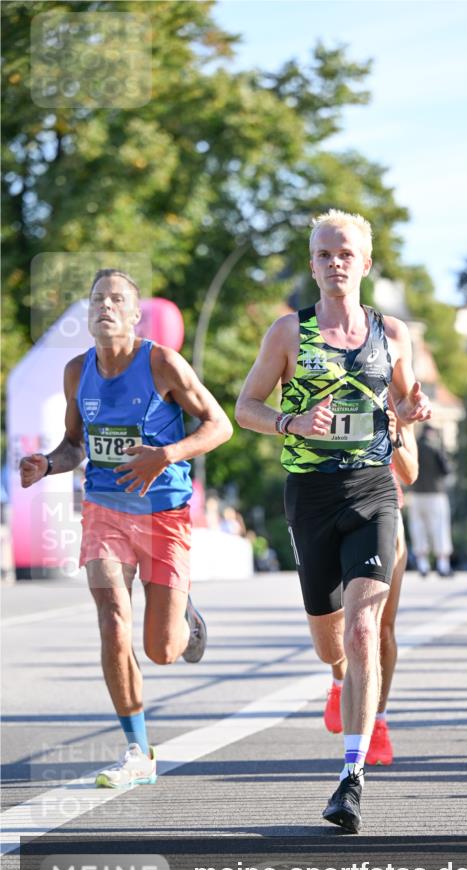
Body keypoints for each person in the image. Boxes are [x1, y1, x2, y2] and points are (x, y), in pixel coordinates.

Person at [235, 209, 431, 832]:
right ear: (313, 265)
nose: (334, 263)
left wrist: (413, 408)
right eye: (323, 255)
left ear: (365, 264)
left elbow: (404, 404)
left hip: (374, 491)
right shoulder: (288, 333)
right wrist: (292, 422)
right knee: (331, 643)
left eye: (345, 253)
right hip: (311, 496)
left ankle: (351, 777)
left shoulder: (393, 333)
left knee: (364, 629)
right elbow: (246, 407)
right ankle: (341, 683)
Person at [19, 269, 232, 789]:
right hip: (104, 510)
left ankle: (183, 613)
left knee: (161, 649)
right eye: (97, 299)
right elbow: (75, 444)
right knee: (113, 619)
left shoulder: (161, 362)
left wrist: (167, 454)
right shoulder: (77, 372)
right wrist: (47, 464)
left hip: (162, 512)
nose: (105, 306)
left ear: (135, 315)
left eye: (117, 299)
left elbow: (219, 424)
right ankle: (138, 750)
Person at [323, 404, 418, 767]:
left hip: (384, 514)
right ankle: (338, 678)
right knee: (334, 624)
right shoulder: (322, 374)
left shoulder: (396, 397)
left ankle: (377, 721)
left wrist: (395, 433)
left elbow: (410, 473)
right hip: (331, 508)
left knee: (381, 628)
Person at [407, 423, 454, 577]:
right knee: (439, 528)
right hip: (435, 493)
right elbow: (446, 469)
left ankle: (423, 564)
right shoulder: (436, 446)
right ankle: (442, 564)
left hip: (416, 493)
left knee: (418, 528)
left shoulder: (414, 446)